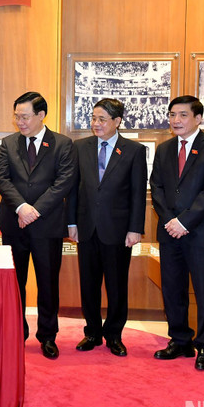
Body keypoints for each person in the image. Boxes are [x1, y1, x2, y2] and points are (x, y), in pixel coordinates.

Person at [0, 91, 77, 359]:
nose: (20, 121)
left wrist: (34, 210)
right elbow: (2, 180)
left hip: (47, 225)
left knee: (47, 282)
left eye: (25, 116)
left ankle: (48, 336)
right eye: (17, 116)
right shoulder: (8, 143)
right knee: (13, 283)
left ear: (41, 115)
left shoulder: (62, 144)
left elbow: (63, 183)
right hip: (13, 223)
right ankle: (17, 331)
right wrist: (21, 207)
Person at [149, 95, 204, 371]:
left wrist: (185, 221)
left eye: (182, 115)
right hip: (169, 232)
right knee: (172, 289)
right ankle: (180, 340)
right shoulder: (164, 148)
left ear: (198, 118)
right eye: (172, 115)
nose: (176, 120)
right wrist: (171, 221)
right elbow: (156, 187)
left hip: (201, 233)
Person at [67, 98, 147, 357]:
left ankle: (114, 335)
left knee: (116, 285)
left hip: (118, 230)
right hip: (87, 228)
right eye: (93, 118)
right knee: (88, 284)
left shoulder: (133, 151)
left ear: (117, 121)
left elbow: (137, 193)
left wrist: (135, 228)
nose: (96, 124)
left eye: (102, 119)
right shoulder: (80, 147)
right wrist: (72, 223)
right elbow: (73, 189)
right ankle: (91, 332)